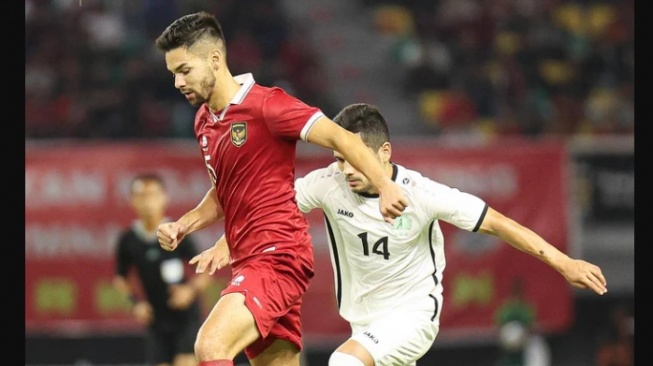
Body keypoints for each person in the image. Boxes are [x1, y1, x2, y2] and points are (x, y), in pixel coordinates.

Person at [191, 103, 609, 366]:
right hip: (362, 321)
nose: (346, 169)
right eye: (339, 158)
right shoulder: (328, 183)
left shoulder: (422, 194)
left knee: (345, 364)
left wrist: (565, 262)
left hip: (413, 317)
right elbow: (272, 211)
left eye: (355, 159)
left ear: (384, 152)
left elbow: (500, 223)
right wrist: (225, 243)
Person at [153, 11, 408, 366]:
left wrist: (385, 186)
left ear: (215, 59)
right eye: (173, 74)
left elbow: (340, 137)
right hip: (251, 260)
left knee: (210, 347)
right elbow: (223, 191)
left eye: (184, 71)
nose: (178, 83)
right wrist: (185, 224)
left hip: (277, 256)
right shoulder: (204, 122)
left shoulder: (268, 105)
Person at [113, 172, 213, 366]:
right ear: (133, 201)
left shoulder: (175, 232)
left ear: (163, 198)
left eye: (153, 195)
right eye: (141, 196)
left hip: (185, 318)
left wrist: (189, 291)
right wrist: (136, 303)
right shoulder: (128, 240)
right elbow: (120, 278)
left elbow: (205, 269)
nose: (148, 202)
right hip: (156, 319)